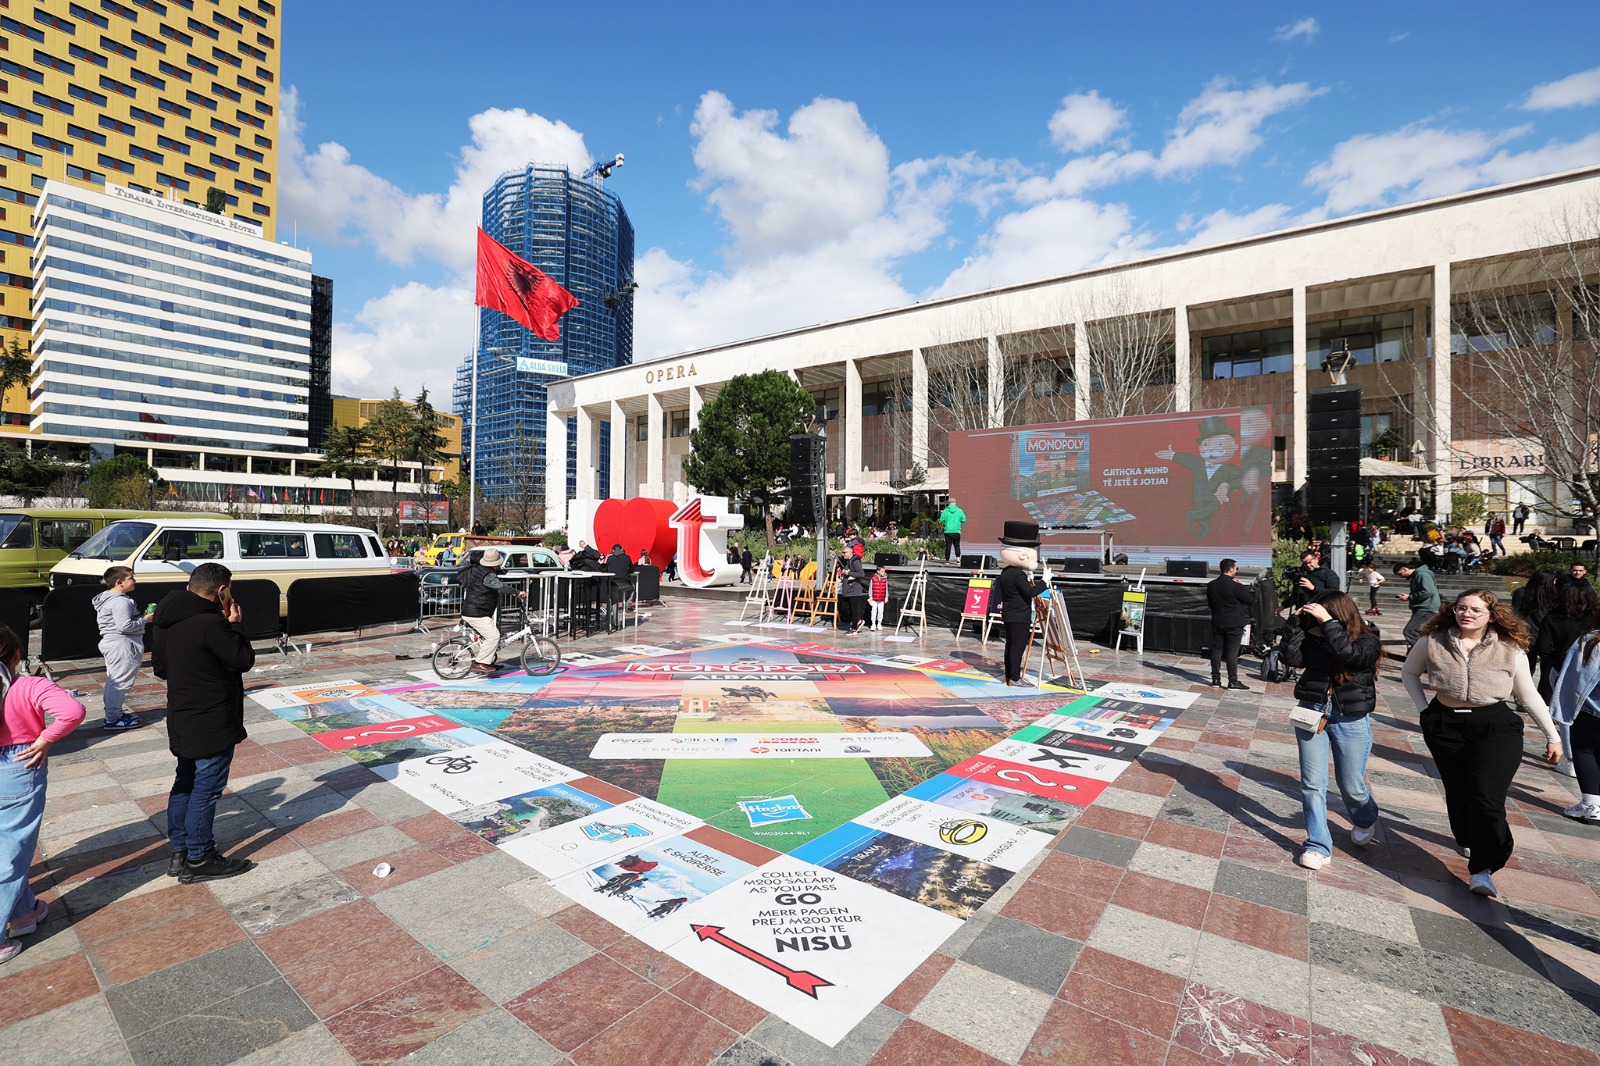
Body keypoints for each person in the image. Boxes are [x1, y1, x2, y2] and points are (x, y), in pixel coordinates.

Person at [1402, 590, 1564, 897]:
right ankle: (1466, 837)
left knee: (1486, 797)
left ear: (1491, 615)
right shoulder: (1432, 640)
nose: (1467, 614)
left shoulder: (1509, 647)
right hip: (1445, 724)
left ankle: (1483, 868)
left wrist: (1552, 735)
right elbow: (1409, 673)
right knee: (1458, 790)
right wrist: (1424, 710)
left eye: (1476, 610)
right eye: (1462, 608)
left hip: (1495, 727)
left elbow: (1528, 695)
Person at [151, 562, 258, 884]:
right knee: (206, 789)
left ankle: (181, 852)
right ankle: (200, 857)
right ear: (221, 591)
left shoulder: (165, 621)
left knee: (185, 782)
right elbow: (242, 660)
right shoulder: (212, 623)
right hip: (212, 717)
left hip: (182, 714)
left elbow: (161, 668)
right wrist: (235, 625)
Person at [1279, 591, 1383, 870]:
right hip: (1311, 711)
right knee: (1312, 784)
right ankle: (1317, 844)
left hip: (1350, 718)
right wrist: (1294, 625)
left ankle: (1364, 817)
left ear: (1339, 614)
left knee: (1351, 785)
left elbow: (1349, 655)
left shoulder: (1367, 639)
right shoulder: (1313, 637)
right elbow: (1291, 658)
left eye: (1322, 614)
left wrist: (1328, 623)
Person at [0, 624, 84, 963]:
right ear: (17, 655)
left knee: (10, 847)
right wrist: (46, 739)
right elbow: (73, 712)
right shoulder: (30, 685)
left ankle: (23, 913)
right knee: (11, 850)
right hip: (19, 766)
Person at [1550, 628, 1600, 825]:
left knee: (1584, 750)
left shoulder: (1592, 639)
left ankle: (1591, 805)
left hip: (1592, 710)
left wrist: (1564, 705)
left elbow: (1577, 677)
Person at [94, 566, 149, 732]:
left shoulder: (110, 598)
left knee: (115, 680)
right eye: (131, 578)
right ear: (119, 582)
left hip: (114, 643)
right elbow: (125, 626)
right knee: (120, 682)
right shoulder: (120, 601)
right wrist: (145, 619)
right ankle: (113, 718)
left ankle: (113, 713)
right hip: (122, 645)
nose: (134, 580)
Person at [458, 548, 527, 672]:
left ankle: (489, 661)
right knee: (494, 636)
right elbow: (500, 586)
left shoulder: (479, 569)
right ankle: (480, 663)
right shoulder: (488, 575)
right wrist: (517, 592)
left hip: (472, 609)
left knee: (488, 636)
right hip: (476, 612)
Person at [997, 522, 1046, 686]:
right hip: (1018, 616)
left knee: (1010, 646)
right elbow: (1030, 592)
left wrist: (1029, 579)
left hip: (1009, 613)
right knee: (1017, 647)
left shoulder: (1006, 572)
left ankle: (1008, 675)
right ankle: (1014, 678)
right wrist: (1044, 582)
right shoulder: (1017, 574)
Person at [1206, 558, 1255, 690]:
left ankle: (1215, 679)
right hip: (1234, 623)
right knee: (1232, 653)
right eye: (1236, 568)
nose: (1236, 570)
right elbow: (1250, 600)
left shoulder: (1211, 585)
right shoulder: (1236, 586)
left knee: (1216, 651)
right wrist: (1241, 587)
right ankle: (1233, 681)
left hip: (1218, 621)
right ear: (1231, 569)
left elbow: (1210, 604)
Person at [1395, 559, 1440, 649]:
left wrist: (1409, 597)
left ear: (1404, 569)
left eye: (1400, 574)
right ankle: (1417, 652)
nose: (1402, 577)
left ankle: (1423, 653)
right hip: (1423, 608)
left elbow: (1428, 591)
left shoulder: (1422, 574)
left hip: (1427, 609)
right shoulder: (1418, 575)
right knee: (1419, 632)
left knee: (1410, 631)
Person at [838, 553, 869, 635]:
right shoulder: (847, 562)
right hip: (847, 591)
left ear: (850, 553)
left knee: (854, 610)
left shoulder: (855, 562)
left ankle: (854, 629)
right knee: (844, 608)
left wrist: (849, 573)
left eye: (845, 553)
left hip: (854, 591)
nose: (843, 554)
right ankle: (857, 620)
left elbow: (861, 574)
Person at [869, 565, 890, 631]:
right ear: (878, 571)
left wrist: (886, 597)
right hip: (874, 598)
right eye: (882, 571)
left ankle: (879, 623)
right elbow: (870, 587)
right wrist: (870, 596)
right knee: (874, 610)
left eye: (884, 571)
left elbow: (886, 588)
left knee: (880, 611)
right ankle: (873, 623)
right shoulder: (873, 578)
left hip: (881, 598)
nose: (884, 572)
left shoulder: (885, 578)